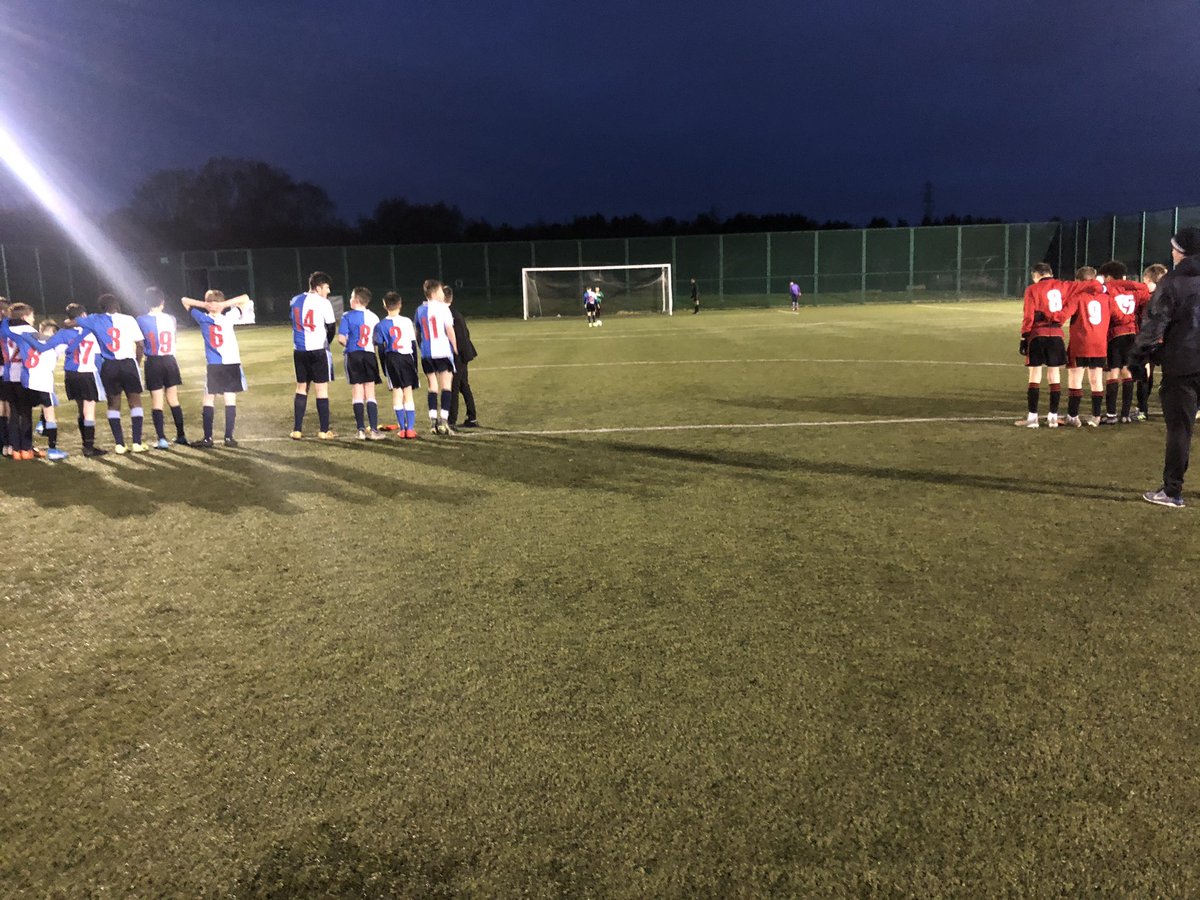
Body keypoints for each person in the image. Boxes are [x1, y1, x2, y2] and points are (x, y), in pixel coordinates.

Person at [1128, 228, 1200, 507]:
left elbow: (1154, 324)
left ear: (1182, 252)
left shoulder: (1172, 282)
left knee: (1180, 429)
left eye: (1175, 248)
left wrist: (1138, 357)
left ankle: (1172, 491)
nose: (1172, 252)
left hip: (1182, 364)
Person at [77, 293, 148, 454]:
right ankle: (136, 443)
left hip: (109, 365)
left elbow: (72, 322)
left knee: (113, 404)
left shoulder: (96, 319)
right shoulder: (129, 319)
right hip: (128, 363)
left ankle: (119, 444)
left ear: (102, 307)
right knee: (135, 402)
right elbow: (140, 345)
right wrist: (137, 363)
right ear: (117, 304)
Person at [181, 291, 250, 448]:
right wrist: (223, 305)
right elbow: (245, 299)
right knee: (230, 398)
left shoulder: (203, 318)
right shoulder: (229, 317)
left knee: (208, 399)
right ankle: (229, 437)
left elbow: (184, 300)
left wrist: (206, 305)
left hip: (214, 364)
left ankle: (208, 438)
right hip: (232, 362)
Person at [1015, 263, 1073, 428]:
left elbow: (1028, 315)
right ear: (1050, 273)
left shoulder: (1032, 289)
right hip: (1056, 334)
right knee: (1054, 374)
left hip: (1038, 335)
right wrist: (1060, 317)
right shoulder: (1063, 286)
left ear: (1036, 275)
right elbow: (1071, 304)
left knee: (1035, 374)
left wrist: (1024, 336)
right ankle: (1053, 417)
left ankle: (1032, 418)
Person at [5, 315, 69, 460]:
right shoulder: (56, 343)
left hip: (29, 383)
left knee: (23, 414)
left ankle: (21, 447)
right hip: (44, 384)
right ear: (53, 332)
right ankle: (52, 449)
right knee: (49, 415)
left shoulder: (27, 339)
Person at [1097, 261, 1151, 424]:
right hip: (1132, 334)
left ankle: (1111, 414)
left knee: (1112, 372)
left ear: (1108, 276)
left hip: (1115, 334)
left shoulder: (1108, 290)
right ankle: (1126, 414)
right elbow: (1145, 291)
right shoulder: (1133, 291)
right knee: (1127, 371)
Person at [137, 286, 189, 448]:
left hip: (153, 361)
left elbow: (140, 343)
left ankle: (162, 439)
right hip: (170, 361)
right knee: (173, 398)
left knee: (157, 401)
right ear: (163, 302)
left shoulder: (140, 320)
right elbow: (174, 338)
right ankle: (181, 435)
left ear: (146, 302)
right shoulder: (171, 319)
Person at [289, 271, 337, 440]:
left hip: (299, 350)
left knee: (301, 388)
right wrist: (326, 342)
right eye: (326, 287)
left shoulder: (295, 300)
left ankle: (297, 429)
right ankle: (324, 430)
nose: (328, 291)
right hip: (318, 350)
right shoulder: (324, 303)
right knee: (321, 389)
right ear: (317, 288)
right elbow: (331, 328)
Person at [1062, 267, 1109, 427]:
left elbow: (1063, 315)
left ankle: (1073, 416)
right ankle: (1096, 416)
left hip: (1081, 344)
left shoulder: (1078, 296)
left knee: (1075, 378)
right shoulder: (1105, 297)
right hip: (1100, 344)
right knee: (1096, 379)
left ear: (1078, 281)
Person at [336, 286, 385, 440]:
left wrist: (349, 345)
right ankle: (374, 430)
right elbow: (377, 340)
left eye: (351, 297)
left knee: (357, 391)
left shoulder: (347, 316)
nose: (350, 299)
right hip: (369, 355)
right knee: (370, 392)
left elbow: (341, 339)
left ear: (356, 300)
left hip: (353, 355)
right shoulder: (374, 317)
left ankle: (361, 431)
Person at [59, 302, 107, 456]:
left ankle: (85, 444)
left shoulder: (65, 332)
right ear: (83, 315)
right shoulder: (91, 332)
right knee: (89, 410)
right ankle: (89, 447)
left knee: (81, 409)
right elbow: (98, 357)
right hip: (87, 373)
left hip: (71, 374)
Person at [414, 279, 459, 435]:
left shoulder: (420, 310)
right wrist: (455, 346)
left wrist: (421, 346)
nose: (442, 293)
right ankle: (444, 422)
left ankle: (433, 421)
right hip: (442, 352)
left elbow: (417, 331)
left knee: (432, 386)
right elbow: (449, 329)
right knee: (446, 385)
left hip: (427, 353)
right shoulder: (443, 308)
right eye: (440, 291)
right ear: (433, 293)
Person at [374, 291, 419, 439]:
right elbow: (413, 345)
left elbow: (380, 348)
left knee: (397, 392)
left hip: (391, 358)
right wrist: (415, 364)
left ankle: (402, 428)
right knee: (408, 392)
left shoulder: (380, 325)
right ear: (400, 305)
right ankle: (410, 429)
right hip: (407, 357)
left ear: (384, 305)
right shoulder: (407, 321)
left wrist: (384, 366)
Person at [1136, 264, 1169, 419]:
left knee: (1145, 374)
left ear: (1149, 280)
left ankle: (1142, 410)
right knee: (1170, 376)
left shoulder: (1145, 297)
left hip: (1148, 341)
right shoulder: (1170, 297)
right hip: (1166, 341)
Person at [446, 287, 478, 428]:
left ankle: (451, 421)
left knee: (453, 386)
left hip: (458, 354)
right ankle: (472, 417)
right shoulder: (455, 312)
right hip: (464, 352)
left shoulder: (449, 314)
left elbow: (457, 337)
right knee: (463, 385)